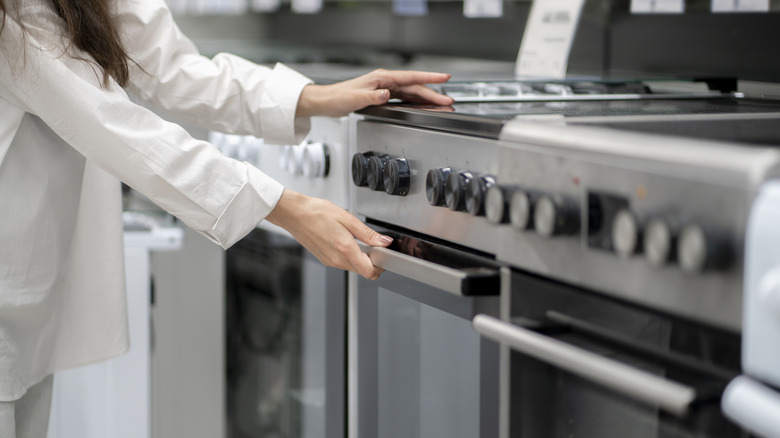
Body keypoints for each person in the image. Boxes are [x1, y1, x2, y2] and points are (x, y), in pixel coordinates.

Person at [0, 0, 454, 435]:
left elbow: (170, 68)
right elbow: (108, 122)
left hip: (31, 300)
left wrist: (318, 97)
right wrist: (283, 207)